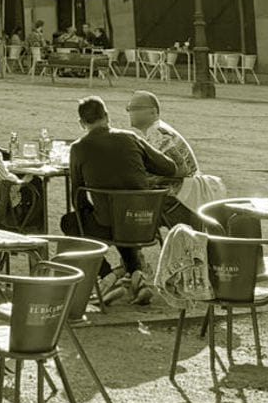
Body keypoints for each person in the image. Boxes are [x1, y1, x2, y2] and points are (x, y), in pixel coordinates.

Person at [65, 96, 203, 304]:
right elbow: (168, 167)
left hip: (112, 223)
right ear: (107, 116)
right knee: (122, 218)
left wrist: (88, 211)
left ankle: (108, 276)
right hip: (145, 221)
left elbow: (78, 195)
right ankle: (137, 275)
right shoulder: (130, 138)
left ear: (82, 123)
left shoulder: (78, 148)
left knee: (71, 222)